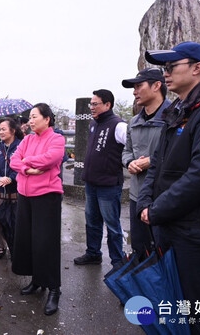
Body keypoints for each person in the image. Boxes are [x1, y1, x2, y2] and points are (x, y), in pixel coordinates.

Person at [137, 41, 200, 335]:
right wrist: (146, 202)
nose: (165, 74)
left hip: (196, 233)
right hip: (169, 225)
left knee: (196, 311)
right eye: (163, 68)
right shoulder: (180, 111)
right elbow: (156, 164)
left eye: (171, 67)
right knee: (172, 305)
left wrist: (156, 209)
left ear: (197, 68)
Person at [9, 103, 65, 316]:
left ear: (46, 119)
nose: (30, 121)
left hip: (46, 196)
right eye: (29, 118)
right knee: (28, 240)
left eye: (34, 117)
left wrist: (28, 161)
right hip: (25, 196)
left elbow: (51, 159)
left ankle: (54, 288)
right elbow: (14, 160)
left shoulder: (57, 139)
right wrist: (26, 166)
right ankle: (37, 280)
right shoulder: (28, 140)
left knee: (46, 242)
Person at [73, 89, 127, 268]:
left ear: (107, 105)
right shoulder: (93, 124)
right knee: (92, 221)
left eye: (95, 104)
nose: (92, 107)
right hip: (91, 182)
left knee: (112, 225)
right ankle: (93, 253)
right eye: (91, 104)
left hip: (109, 185)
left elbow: (131, 149)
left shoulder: (119, 125)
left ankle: (118, 262)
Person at [121, 68, 171, 257]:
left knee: (163, 250)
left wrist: (152, 161)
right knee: (140, 248)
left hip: (163, 195)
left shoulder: (174, 118)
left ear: (157, 85)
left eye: (138, 86)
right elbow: (126, 151)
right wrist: (129, 163)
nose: (134, 92)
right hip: (136, 194)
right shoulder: (133, 121)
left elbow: (183, 154)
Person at [0, 117, 24, 259]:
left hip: (16, 194)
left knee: (17, 224)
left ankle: (18, 249)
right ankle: (2, 247)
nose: (0, 132)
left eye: (3, 129)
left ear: (13, 131)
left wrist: (11, 178)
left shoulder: (22, 146)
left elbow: (23, 166)